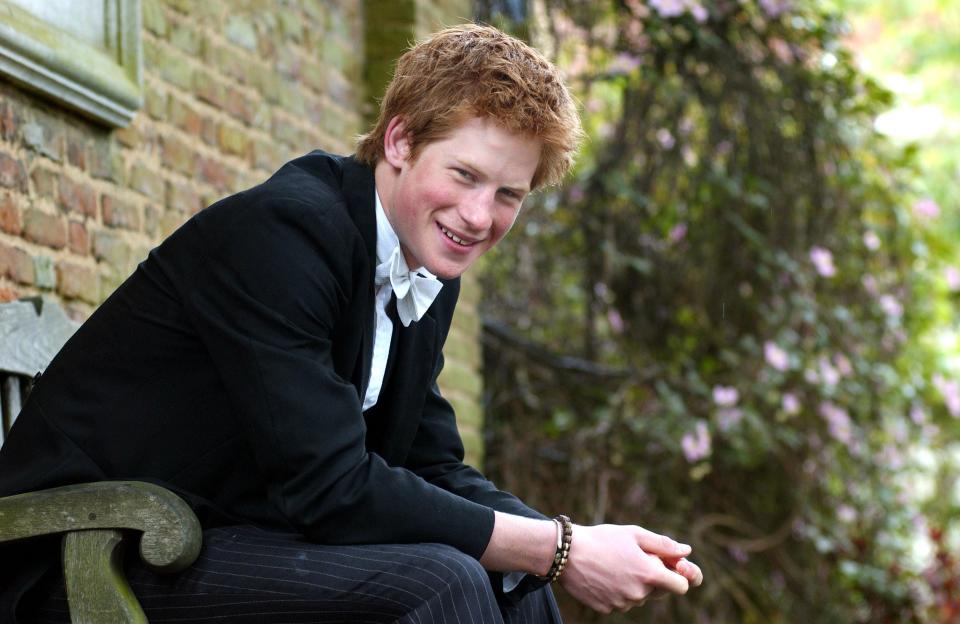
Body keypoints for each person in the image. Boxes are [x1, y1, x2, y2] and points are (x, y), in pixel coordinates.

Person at [0, 24, 702, 623]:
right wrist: (560, 551)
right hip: (90, 551)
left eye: (508, 194)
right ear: (399, 141)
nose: (480, 216)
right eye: (463, 175)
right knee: (444, 579)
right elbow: (328, 487)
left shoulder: (423, 258)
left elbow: (427, 463)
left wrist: (561, 543)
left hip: (222, 536)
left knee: (511, 584)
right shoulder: (281, 236)